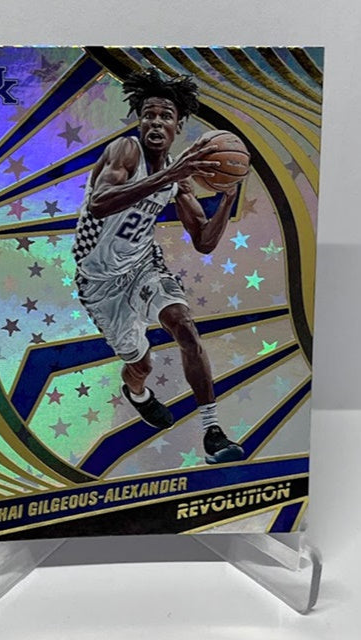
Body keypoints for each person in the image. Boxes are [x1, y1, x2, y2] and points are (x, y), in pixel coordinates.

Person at [73, 67, 245, 464]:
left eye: (165, 115)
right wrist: (170, 174)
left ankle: (213, 432)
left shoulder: (177, 177)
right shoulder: (126, 151)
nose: (155, 121)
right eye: (148, 114)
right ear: (139, 121)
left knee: (184, 326)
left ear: (177, 126)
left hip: (142, 264)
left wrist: (228, 199)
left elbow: (204, 240)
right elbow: (100, 203)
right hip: (99, 281)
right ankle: (137, 393)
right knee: (140, 363)